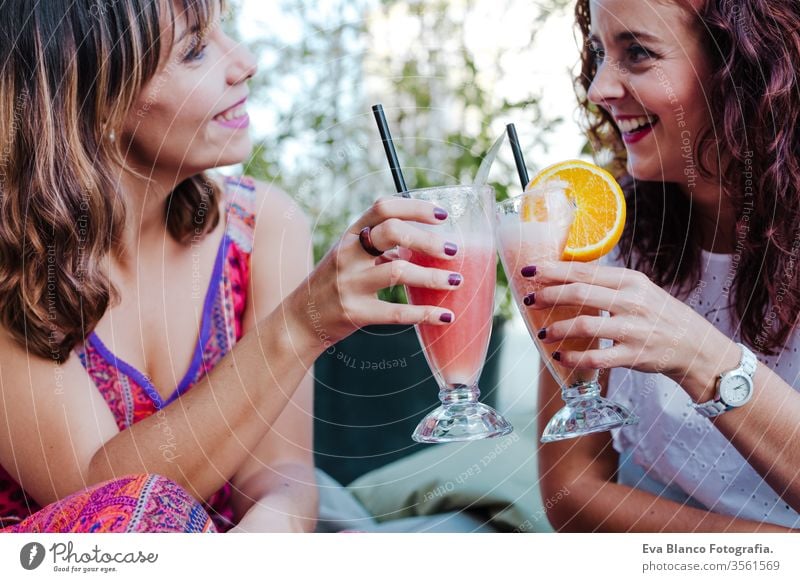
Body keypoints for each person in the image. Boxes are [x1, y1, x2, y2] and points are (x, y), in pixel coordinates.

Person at [0, 0, 463, 533]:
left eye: (226, 33)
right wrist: (297, 326)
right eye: (195, 50)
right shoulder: (16, 258)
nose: (244, 61)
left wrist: (266, 535)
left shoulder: (262, 226)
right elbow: (104, 506)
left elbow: (283, 473)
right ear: (96, 99)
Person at [535, 0, 800, 531]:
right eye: (599, 54)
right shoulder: (600, 232)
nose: (599, 90)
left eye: (637, 52)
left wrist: (699, 356)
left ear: (741, 67)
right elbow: (571, 493)